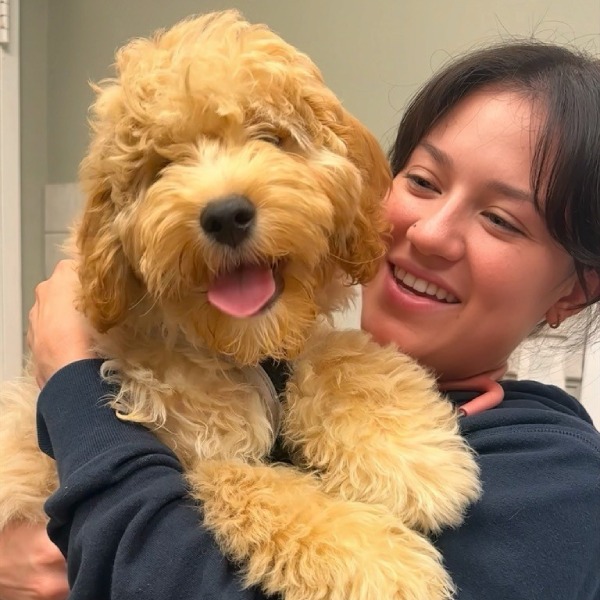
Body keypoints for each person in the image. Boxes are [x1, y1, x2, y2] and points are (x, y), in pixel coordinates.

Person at [2, 39, 600, 600]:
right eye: (421, 182)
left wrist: (76, 387)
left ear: (574, 291)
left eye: (501, 219)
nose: (430, 233)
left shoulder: (560, 482)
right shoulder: (269, 364)